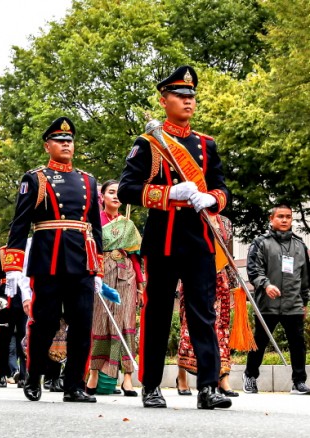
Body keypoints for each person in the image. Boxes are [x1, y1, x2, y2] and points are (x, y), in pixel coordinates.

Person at [118, 66, 231, 410]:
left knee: (203, 312)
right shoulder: (150, 143)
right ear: (164, 100)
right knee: (156, 313)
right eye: (181, 96)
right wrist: (169, 193)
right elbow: (127, 189)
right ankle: (151, 384)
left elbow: (222, 188)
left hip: (199, 240)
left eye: (191, 96)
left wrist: (212, 198)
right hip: (164, 238)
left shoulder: (205, 144)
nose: (188, 102)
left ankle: (208, 387)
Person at [3, 116, 103, 403]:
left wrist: (98, 268)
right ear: (48, 145)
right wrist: (13, 266)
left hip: (82, 261)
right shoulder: (36, 178)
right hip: (49, 259)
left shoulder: (88, 180)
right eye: (60, 140)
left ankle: (74, 385)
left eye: (69, 140)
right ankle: (33, 377)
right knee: (44, 324)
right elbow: (20, 224)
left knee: (82, 324)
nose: (66, 144)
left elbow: (95, 227)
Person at [244, 204, 310, 395]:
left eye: (288, 217)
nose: (284, 220)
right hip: (267, 303)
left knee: (298, 343)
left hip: (294, 303)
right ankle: (250, 375)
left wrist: (304, 302)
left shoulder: (300, 245)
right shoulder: (260, 243)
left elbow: (305, 277)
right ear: (271, 219)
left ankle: (299, 382)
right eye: (280, 216)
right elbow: (253, 269)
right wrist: (265, 284)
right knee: (260, 341)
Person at [87, 180, 144, 397]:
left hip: (126, 274)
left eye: (119, 193)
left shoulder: (128, 224)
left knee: (126, 323)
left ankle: (128, 378)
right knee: (101, 321)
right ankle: (94, 374)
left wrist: (141, 285)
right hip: (102, 274)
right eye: (111, 192)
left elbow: (136, 258)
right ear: (101, 196)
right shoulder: (93, 221)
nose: (116, 196)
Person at [177, 215, 239, 397]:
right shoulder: (191, 214)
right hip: (193, 275)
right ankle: (182, 376)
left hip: (220, 278)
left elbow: (227, 253)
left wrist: (235, 286)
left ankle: (223, 377)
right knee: (188, 327)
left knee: (220, 329)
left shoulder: (226, 221)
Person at [0, 244, 28, 388]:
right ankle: (0, 375)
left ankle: (24, 375)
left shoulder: (28, 248)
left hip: (23, 298)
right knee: (3, 339)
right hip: (5, 301)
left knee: (24, 340)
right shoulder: (1, 252)